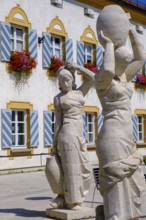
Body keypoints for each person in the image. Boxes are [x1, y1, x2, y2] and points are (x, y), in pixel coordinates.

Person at [95, 5, 146, 220]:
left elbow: (141, 58)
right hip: (112, 135)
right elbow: (107, 69)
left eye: (127, 63)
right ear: (114, 60)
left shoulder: (123, 78)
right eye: (123, 62)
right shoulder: (102, 80)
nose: (127, 66)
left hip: (126, 135)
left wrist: (131, 29)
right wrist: (107, 43)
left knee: (131, 184)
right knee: (116, 185)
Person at [49, 61, 94, 210]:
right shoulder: (59, 98)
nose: (65, 82)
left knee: (85, 169)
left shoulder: (80, 93)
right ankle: (73, 201)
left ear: (72, 80)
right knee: (71, 170)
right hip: (66, 135)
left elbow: (93, 78)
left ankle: (66, 197)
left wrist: (77, 67)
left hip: (79, 136)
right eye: (62, 81)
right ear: (60, 83)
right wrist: (54, 144)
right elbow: (57, 123)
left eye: (68, 79)